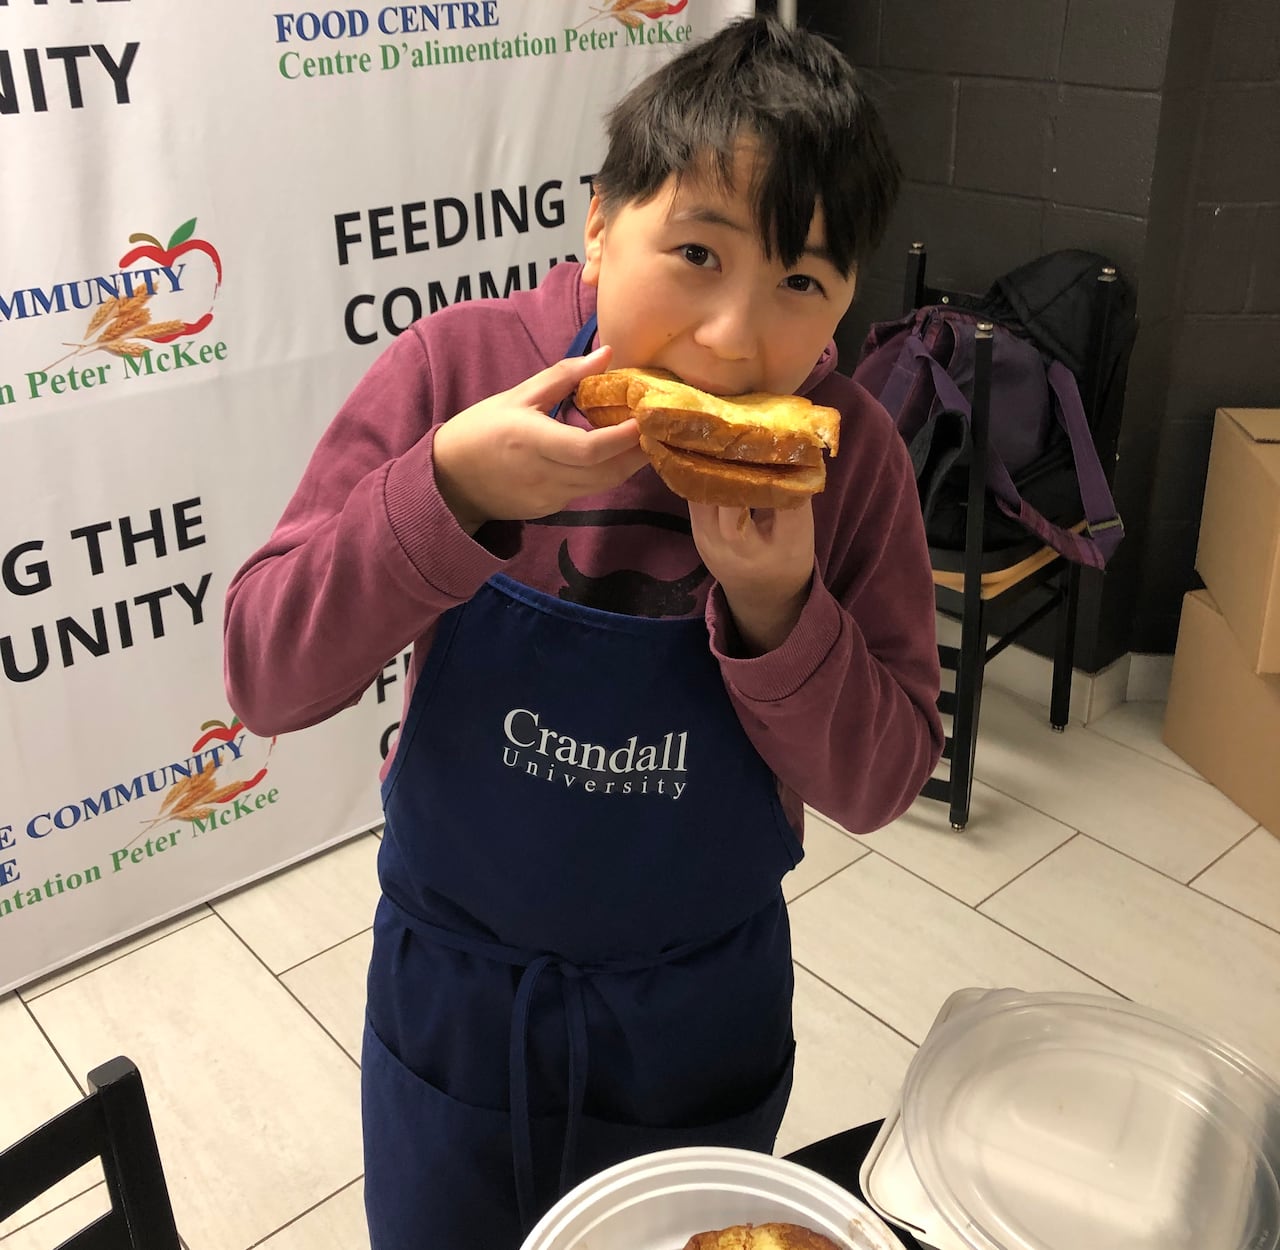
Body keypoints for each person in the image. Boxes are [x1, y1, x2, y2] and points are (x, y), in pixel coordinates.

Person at [224, 15, 943, 1250]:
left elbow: (881, 783)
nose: (729, 339)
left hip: (694, 1005)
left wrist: (779, 612)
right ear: (599, 219)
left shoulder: (849, 456)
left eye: (798, 284)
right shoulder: (455, 373)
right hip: (458, 992)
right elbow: (266, 673)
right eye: (696, 253)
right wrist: (446, 488)